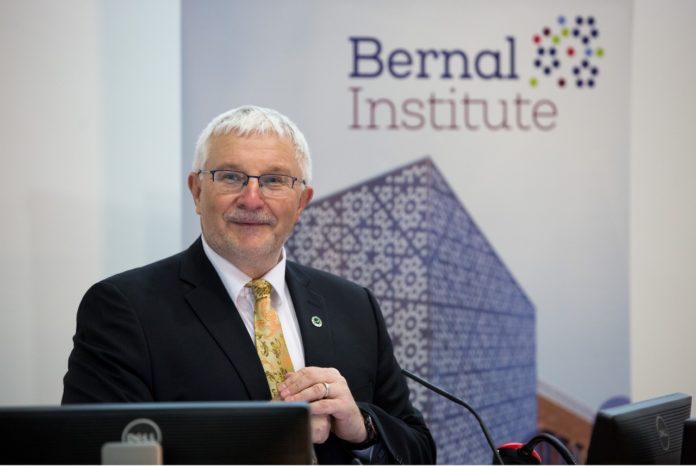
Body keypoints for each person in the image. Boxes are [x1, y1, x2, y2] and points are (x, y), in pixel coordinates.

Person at [62, 105, 436, 464]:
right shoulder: (125, 308)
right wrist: (254, 441)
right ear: (196, 191)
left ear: (302, 200)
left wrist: (364, 429)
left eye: (274, 180)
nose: (252, 199)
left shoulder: (353, 305)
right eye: (230, 177)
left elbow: (419, 449)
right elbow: (95, 454)